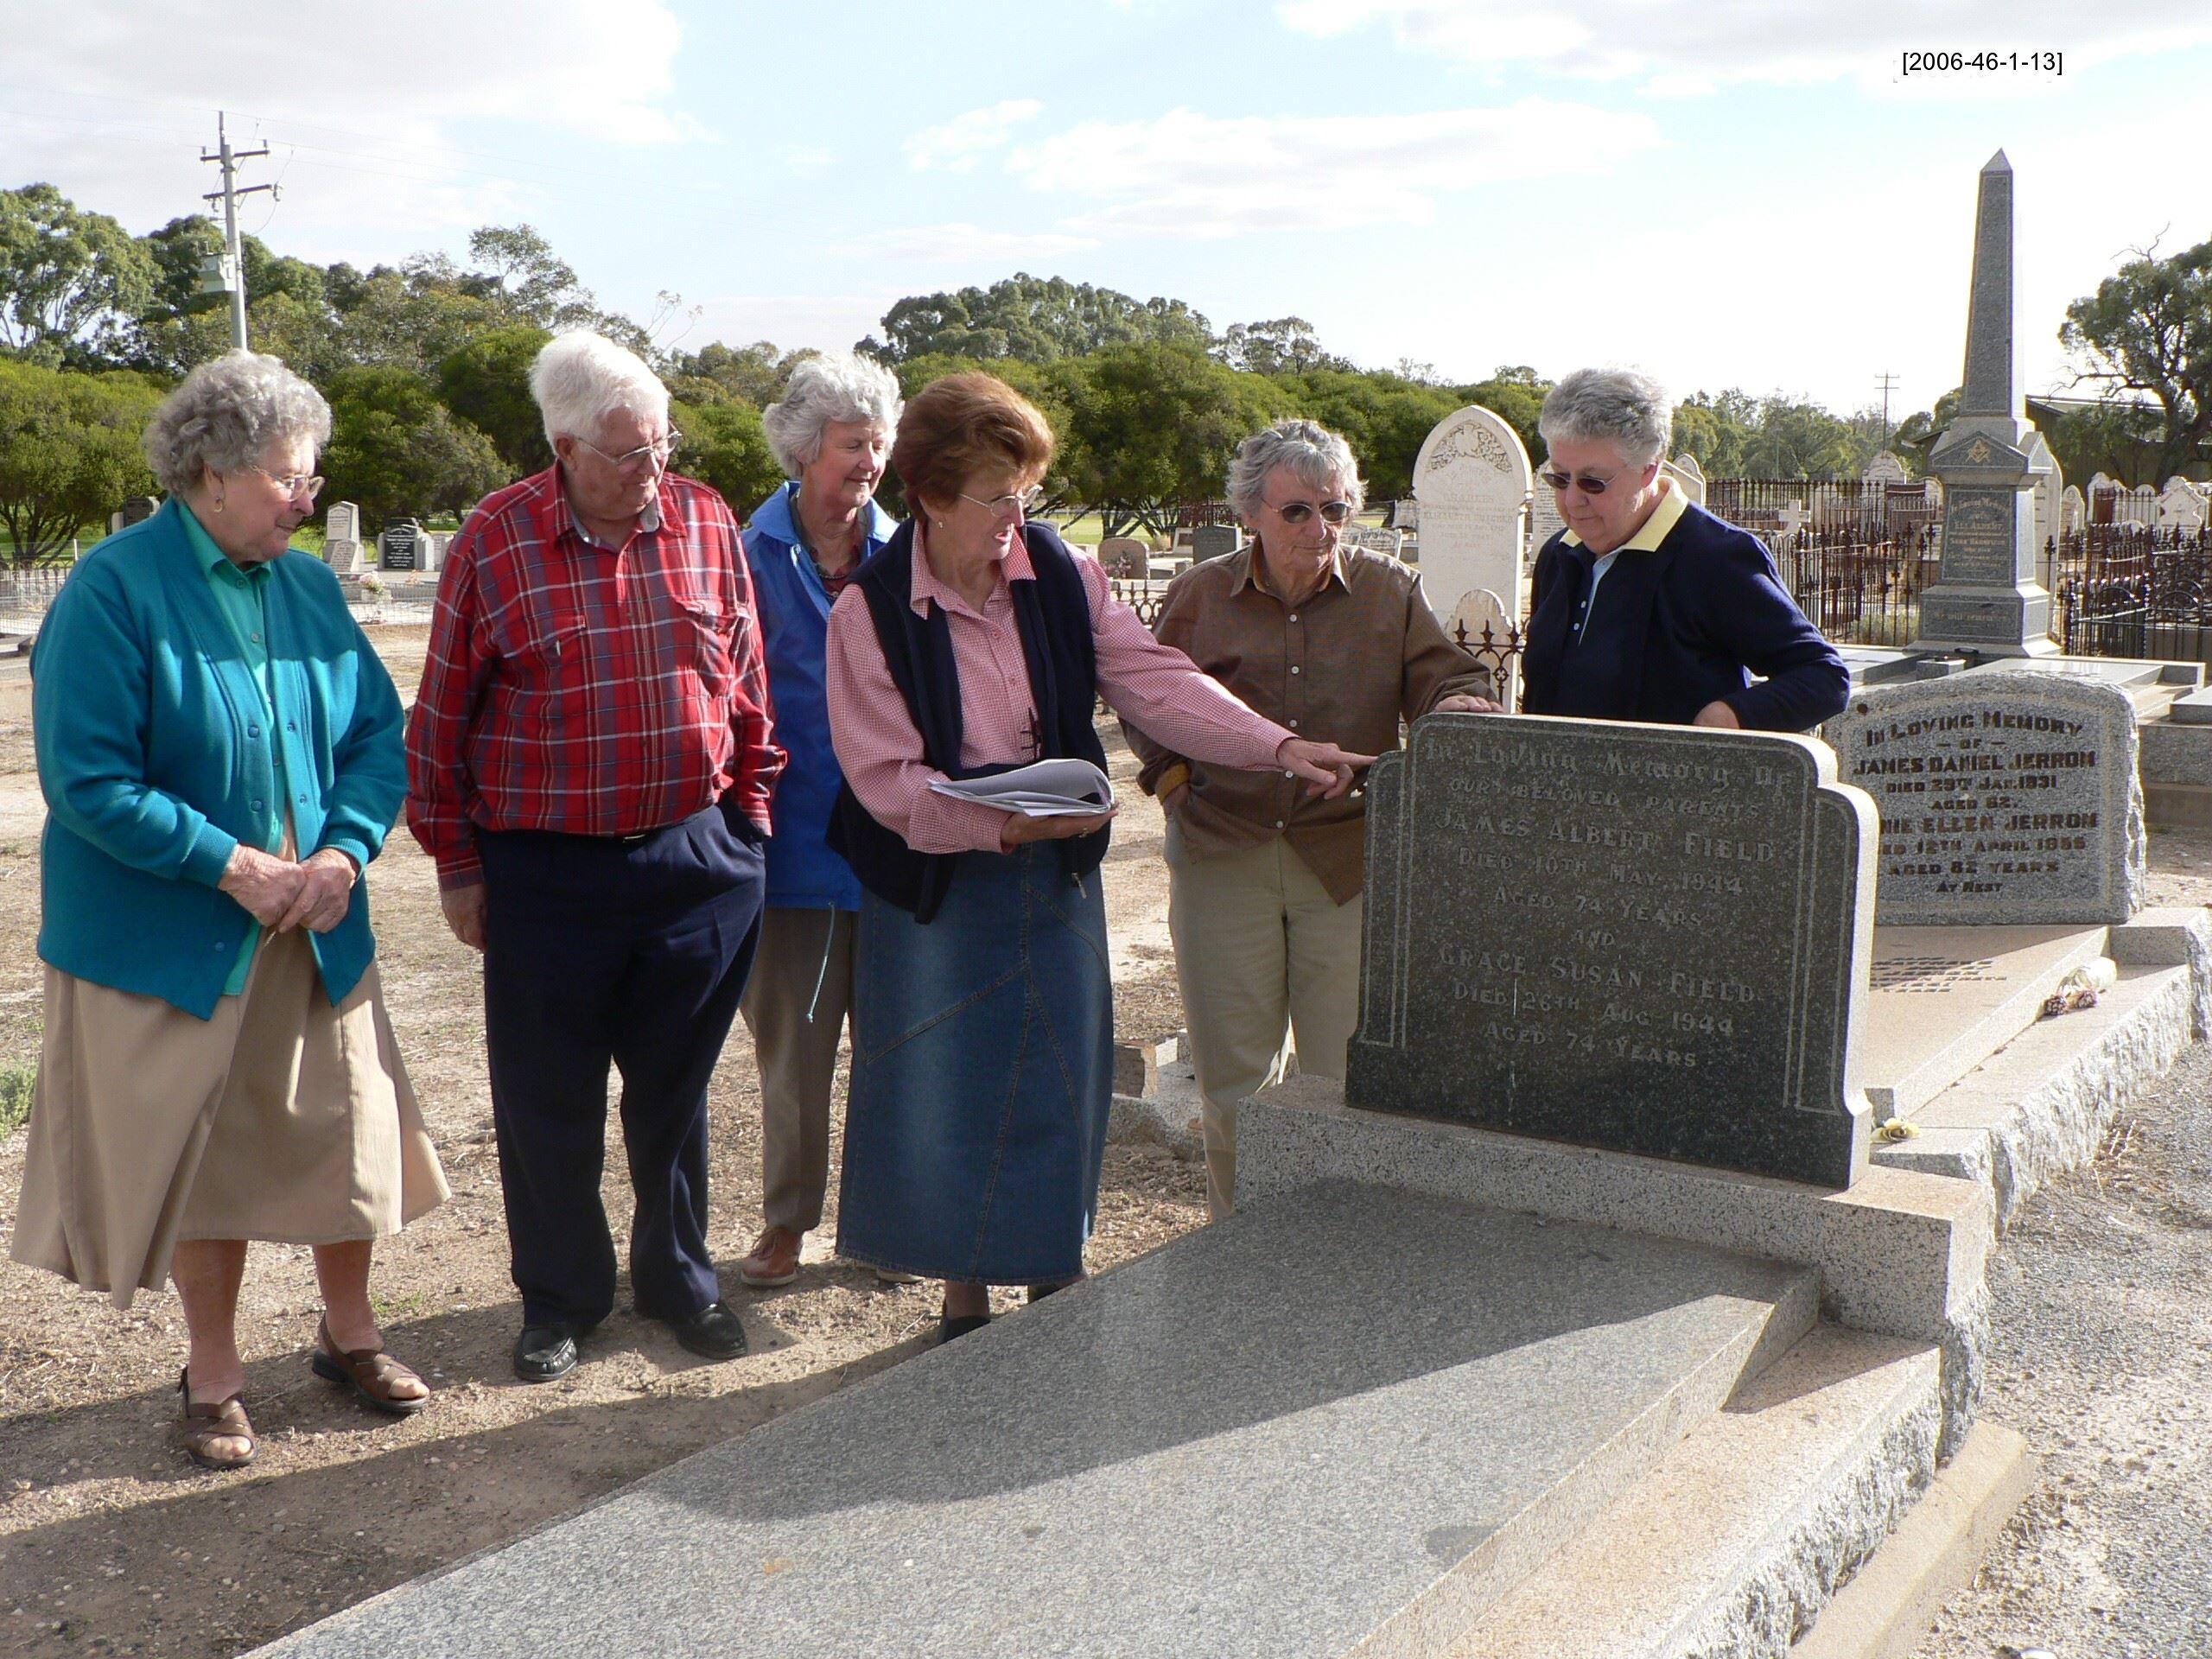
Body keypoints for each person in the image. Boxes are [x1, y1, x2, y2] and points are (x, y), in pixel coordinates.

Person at [824, 373, 1374, 1342]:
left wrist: (1277, 746)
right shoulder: (866, 612)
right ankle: (963, 1291)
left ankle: (1054, 1268)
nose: (1015, 515)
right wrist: (993, 824)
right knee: (949, 1082)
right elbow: (883, 778)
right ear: (931, 495)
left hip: (1056, 864)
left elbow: (1152, 681)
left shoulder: (1058, 571)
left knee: (1059, 1075)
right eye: (997, 496)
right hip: (937, 881)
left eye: (1025, 492)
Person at [12, 352, 447, 1470]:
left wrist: (346, 851)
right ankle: (213, 1374)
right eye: (289, 479)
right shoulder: (113, 590)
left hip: (318, 923)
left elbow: (369, 735)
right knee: (211, 1159)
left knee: (344, 1132)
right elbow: (89, 781)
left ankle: (348, 1335)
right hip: (184, 935)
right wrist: (234, 867)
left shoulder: (305, 586)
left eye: (311, 480)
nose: (307, 500)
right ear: (210, 473)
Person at [405, 331, 780, 1382]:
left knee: (676, 1094)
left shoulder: (705, 517)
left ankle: (678, 1281)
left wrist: (748, 818)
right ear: (563, 447)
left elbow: (747, 681)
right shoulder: (496, 537)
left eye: (661, 446)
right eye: (627, 454)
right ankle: (562, 1297)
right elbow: (439, 717)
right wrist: (457, 865)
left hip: (695, 860)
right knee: (547, 1098)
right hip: (546, 873)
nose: (652, 470)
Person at [1127, 419, 1497, 1219]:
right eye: (1297, 511)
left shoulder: (1389, 590)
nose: (1320, 529)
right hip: (1224, 849)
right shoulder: (1199, 596)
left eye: (1336, 509)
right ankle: (1241, 1237)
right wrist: (1174, 780)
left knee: (1342, 1076)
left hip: (1346, 861)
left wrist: (1455, 700)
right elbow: (1147, 698)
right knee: (1235, 1079)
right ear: (1251, 511)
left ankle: (1337, 1247)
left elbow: (1445, 674)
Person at [733, 353, 906, 1290]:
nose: (869, 459)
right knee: (795, 1058)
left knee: (897, 1047)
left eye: (878, 441)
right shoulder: (741, 553)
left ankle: (887, 1226)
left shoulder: (910, 554)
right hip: (790, 854)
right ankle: (786, 1225)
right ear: (804, 451)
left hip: (898, 855)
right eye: (851, 443)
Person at [1521, 368, 1848, 732]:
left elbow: (1823, 677)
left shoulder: (1716, 558)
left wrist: (1729, 714)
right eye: (1559, 477)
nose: (1571, 500)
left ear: (1649, 470)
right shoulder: (1558, 555)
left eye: (1592, 482)